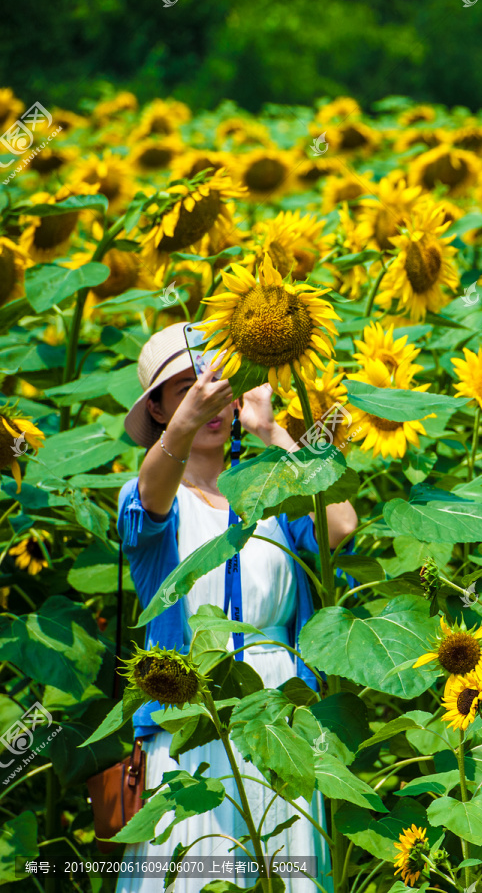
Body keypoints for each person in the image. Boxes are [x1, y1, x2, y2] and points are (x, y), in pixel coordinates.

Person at [115, 322, 358, 893]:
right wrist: (187, 421)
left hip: (282, 714)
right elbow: (150, 495)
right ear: (158, 409)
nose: (211, 399)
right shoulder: (154, 500)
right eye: (189, 388)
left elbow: (341, 523)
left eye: (221, 384)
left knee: (285, 868)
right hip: (194, 723)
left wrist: (271, 430)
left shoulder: (269, 488)